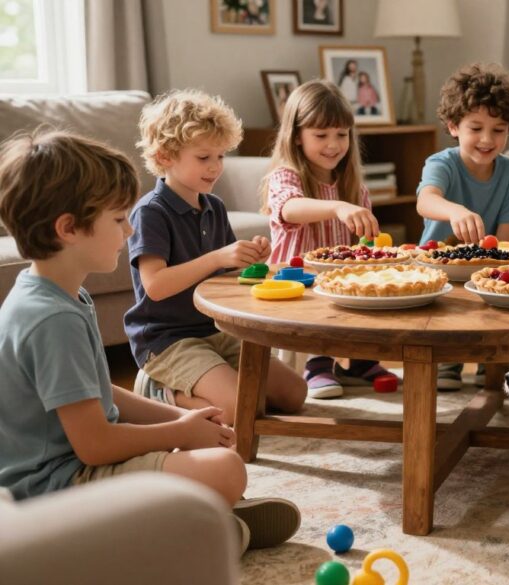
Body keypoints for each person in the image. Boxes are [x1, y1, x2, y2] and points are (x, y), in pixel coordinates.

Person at [0, 129, 300, 551]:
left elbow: (100, 393)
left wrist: (178, 420)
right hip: (56, 492)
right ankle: (169, 536)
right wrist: (177, 432)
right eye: (118, 220)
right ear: (68, 228)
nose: (129, 232)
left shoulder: (59, 295)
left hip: (72, 469)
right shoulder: (52, 319)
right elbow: (96, 445)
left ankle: (189, 522)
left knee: (213, 457)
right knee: (225, 470)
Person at [127, 89, 307, 423]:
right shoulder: (150, 212)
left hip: (216, 330)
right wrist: (217, 258)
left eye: (221, 156)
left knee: (295, 394)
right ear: (165, 156)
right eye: (203, 157)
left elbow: (229, 278)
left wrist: (253, 260)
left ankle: (212, 384)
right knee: (242, 408)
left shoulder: (214, 207)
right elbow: (155, 286)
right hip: (168, 340)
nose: (215, 167)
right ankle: (159, 391)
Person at [259, 79, 391, 398]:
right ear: (297, 136)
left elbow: (363, 245)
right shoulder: (285, 176)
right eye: (321, 135)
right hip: (295, 284)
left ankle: (359, 359)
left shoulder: (354, 187)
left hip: (338, 283)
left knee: (370, 289)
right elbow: (289, 208)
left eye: (341, 134)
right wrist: (337, 207)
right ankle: (316, 362)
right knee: (319, 297)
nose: (333, 144)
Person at [416, 62, 509, 390]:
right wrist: (455, 211)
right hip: (440, 271)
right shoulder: (441, 164)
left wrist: (495, 269)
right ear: (454, 126)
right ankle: (446, 360)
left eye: (498, 130)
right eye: (476, 128)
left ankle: (489, 361)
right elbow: (425, 200)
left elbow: (506, 245)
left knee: (502, 293)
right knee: (447, 308)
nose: (486, 139)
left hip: (487, 271)